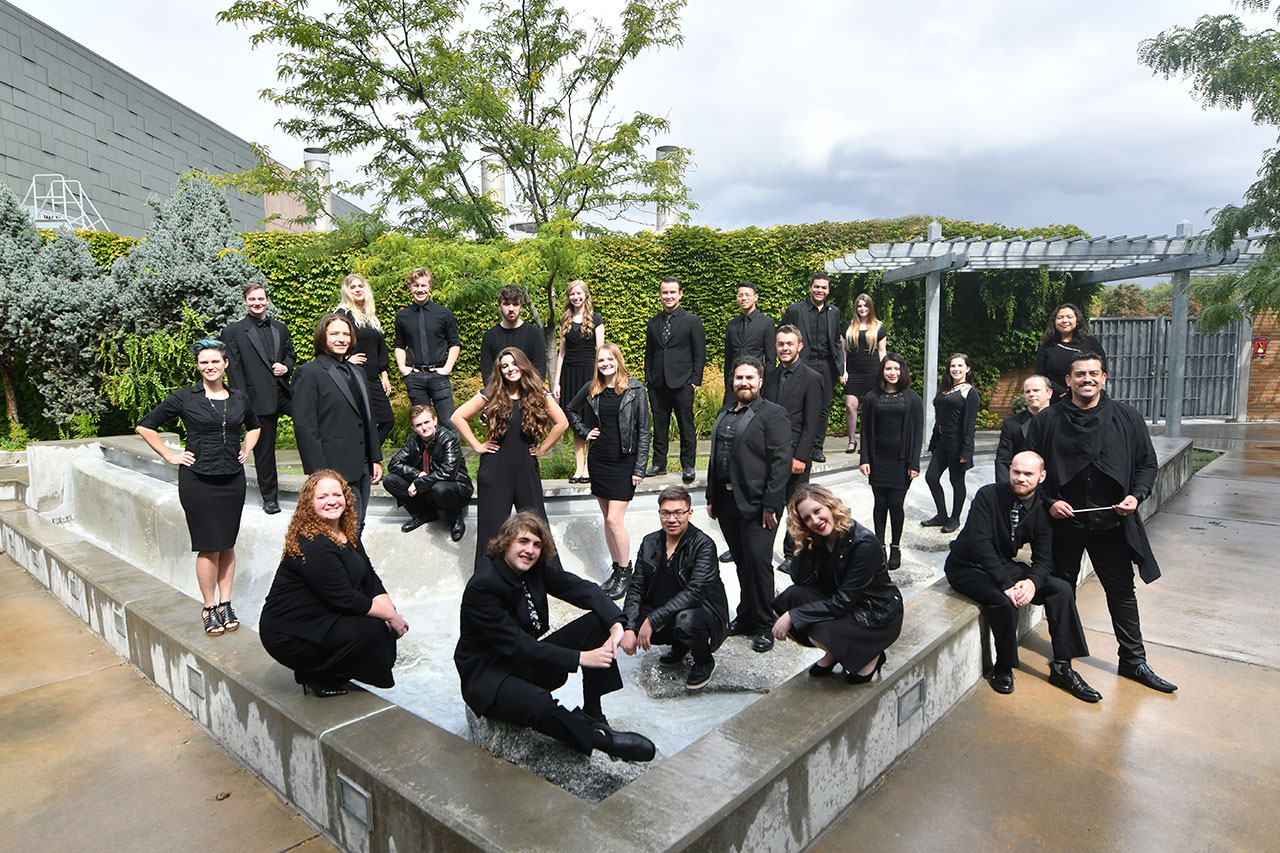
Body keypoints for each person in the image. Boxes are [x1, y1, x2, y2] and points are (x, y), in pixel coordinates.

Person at [1028, 355, 1178, 693]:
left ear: (1104, 377)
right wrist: (1050, 502)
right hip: (1063, 525)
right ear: (1067, 381)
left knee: (1122, 592)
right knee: (1061, 593)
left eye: (1093, 373)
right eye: (1080, 374)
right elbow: (1029, 468)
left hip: (1113, 522)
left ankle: (1133, 661)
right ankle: (1062, 664)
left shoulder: (1127, 417)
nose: (1087, 379)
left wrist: (1137, 496)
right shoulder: (1048, 420)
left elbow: (1146, 464)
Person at [454, 512, 656, 761]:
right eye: (523, 542)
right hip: (490, 677)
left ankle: (593, 713)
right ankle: (599, 740)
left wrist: (618, 624)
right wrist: (581, 658)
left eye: (537, 544)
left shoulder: (532, 570)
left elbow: (583, 589)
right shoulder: (483, 585)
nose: (530, 550)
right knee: (540, 705)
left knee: (597, 623)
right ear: (506, 542)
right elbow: (519, 645)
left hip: (521, 664)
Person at [944, 452, 1099, 701]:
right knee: (1003, 601)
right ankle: (1003, 666)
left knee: (1060, 589)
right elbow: (981, 544)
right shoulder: (988, 495)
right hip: (967, 566)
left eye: (1028, 474)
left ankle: (1062, 666)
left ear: (1041, 476)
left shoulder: (1040, 508)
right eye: (1016, 472)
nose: (1021, 478)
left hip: (1003, 565)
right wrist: (1006, 584)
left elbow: (1044, 557)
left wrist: (1031, 582)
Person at [137, 339, 261, 636]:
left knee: (227, 542)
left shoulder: (238, 398)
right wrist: (170, 455)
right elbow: (145, 425)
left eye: (215, 361)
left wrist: (247, 448)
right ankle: (209, 606)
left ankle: (226, 603)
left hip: (232, 478)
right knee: (208, 546)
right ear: (198, 366)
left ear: (225, 364)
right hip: (198, 480)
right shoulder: (185, 397)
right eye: (204, 362)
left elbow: (255, 425)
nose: (210, 366)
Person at [260, 471, 409, 697]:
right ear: (309, 503)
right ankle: (314, 672)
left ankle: (329, 671)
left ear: (346, 497)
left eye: (336, 494)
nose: (331, 501)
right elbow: (345, 598)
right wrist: (390, 617)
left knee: (381, 620)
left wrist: (390, 609)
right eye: (322, 497)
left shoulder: (346, 532)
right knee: (374, 628)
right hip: (290, 632)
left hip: (319, 617)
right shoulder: (313, 543)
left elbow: (369, 577)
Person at [772, 484, 903, 684]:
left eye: (817, 511)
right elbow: (801, 580)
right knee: (793, 596)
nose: (815, 520)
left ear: (830, 506)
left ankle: (871, 653)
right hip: (847, 605)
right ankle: (836, 652)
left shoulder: (864, 544)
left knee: (818, 631)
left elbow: (843, 602)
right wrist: (804, 542)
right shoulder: (819, 538)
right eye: (807, 518)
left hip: (876, 616)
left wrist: (793, 616)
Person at [453, 347, 569, 567]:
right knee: (492, 529)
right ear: (500, 370)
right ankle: (487, 580)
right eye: (504, 366)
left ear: (523, 365)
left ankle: (549, 577)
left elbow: (562, 422)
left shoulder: (538, 394)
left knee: (536, 524)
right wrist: (477, 445)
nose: (510, 369)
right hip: (495, 469)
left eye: (514, 363)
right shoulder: (491, 394)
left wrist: (543, 449)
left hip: (526, 467)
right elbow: (458, 416)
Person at [708, 356, 792, 653]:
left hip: (759, 505)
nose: (743, 382)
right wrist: (711, 496)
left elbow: (781, 462)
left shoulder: (773, 414)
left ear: (760, 382)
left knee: (758, 564)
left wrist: (771, 503)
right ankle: (745, 616)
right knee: (743, 563)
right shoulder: (725, 411)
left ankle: (764, 624)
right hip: (728, 501)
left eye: (749, 378)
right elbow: (715, 457)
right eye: (739, 378)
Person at [620, 486, 729, 690]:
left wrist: (653, 620)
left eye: (678, 513)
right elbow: (636, 588)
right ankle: (679, 647)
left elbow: (695, 592)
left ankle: (704, 659)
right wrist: (629, 627)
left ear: (689, 513)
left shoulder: (703, 544)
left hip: (705, 614)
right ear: (659, 513)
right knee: (622, 618)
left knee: (685, 621)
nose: (672, 519)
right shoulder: (650, 542)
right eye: (666, 513)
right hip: (667, 610)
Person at [565, 343, 651, 599]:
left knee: (615, 520)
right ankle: (616, 570)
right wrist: (584, 432)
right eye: (601, 361)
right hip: (600, 459)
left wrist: (640, 468)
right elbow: (570, 409)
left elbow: (644, 431)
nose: (605, 364)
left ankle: (626, 572)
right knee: (607, 520)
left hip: (624, 461)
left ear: (617, 360)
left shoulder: (635, 389)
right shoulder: (593, 387)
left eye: (609, 359)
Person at [292, 313, 383, 531]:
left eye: (346, 334)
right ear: (322, 338)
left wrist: (375, 458)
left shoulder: (358, 372)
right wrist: (320, 475)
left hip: (362, 467)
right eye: (334, 334)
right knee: (336, 530)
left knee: (357, 525)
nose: (341, 338)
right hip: (332, 468)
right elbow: (305, 427)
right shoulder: (308, 373)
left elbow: (367, 418)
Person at [221, 283, 295, 514]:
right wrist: (244, 403)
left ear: (267, 300)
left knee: (315, 424)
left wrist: (286, 367)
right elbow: (234, 371)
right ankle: (270, 498)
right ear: (245, 301)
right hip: (256, 398)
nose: (257, 303)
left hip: (283, 393)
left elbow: (290, 354)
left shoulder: (280, 327)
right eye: (252, 299)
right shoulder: (232, 331)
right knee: (264, 450)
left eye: (260, 299)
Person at [761, 324, 822, 572]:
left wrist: (801, 457)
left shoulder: (812, 378)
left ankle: (793, 553)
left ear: (799, 346)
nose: (784, 348)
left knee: (795, 506)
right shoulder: (770, 375)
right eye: (780, 344)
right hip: (769, 453)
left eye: (789, 344)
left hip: (796, 453)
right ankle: (763, 548)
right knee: (768, 502)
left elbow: (812, 423)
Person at [858, 354, 924, 569]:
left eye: (896, 369)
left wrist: (914, 463)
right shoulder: (871, 397)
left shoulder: (912, 398)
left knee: (896, 504)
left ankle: (895, 547)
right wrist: (864, 459)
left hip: (901, 461)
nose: (893, 373)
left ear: (902, 371)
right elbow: (865, 430)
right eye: (888, 369)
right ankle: (880, 547)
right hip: (878, 460)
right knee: (880, 505)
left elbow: (917, 431)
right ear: (882, 372)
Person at [643, 277, 706, 484]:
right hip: (658, 384)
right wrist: (649, 380)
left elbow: (699, 353)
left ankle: (688, 465)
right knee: (659, 425)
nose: (668, 296)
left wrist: (695, 381)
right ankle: (658, 464)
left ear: (680, 294)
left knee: (686, 425)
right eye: (664, 292)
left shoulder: (692, 321)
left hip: (683, 383)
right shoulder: (653, 323)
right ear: (660, 295)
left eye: (672, 292)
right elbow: (649, 354)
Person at [781, 273, 846, 463]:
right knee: (797, 405)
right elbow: (782, 333)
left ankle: (817, 448)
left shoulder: (834, 312)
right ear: (810, 288)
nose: (820, 290)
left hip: (827, 365)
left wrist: (840, 365)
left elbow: (836, 341)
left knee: (823, 407)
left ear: (828, 290)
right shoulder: (795, 310)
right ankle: (793, 445)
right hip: (803, 363)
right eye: (816, 286)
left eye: (824, 287)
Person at [383, 405, 472, 540]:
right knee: (390, 480)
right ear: (413, 427)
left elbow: (448, 472)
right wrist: (417, 474)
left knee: (439, 488)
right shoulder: (413, 441)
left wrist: (419, 483)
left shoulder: (449, 438)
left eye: (427, 422)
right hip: (428, 489)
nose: (424, 428)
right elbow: (394, 463)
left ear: (434, 421)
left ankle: (455, 519)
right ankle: (424, 514)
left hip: (454, 488)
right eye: (419, 425)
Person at [551, 280, 604, 484]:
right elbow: (561, 354)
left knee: (590, 420)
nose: (576, 297)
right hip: (569, 374)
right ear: (569, 297)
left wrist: (599, 378)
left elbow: (601, 351)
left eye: (579, 293)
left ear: (586, 295)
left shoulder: (596, 319)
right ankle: (578, 468)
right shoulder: (566, 319)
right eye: (572, 294)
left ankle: (589, 468)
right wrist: (556, 382)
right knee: (575, 421)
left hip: (589, 374)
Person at [922, 353, 980, 534]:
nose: (956, 369)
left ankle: (955, 519)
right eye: (953, 366)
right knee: (931, 477)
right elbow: (939, 419)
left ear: (967, 369)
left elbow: (970, 423)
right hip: (942, 443)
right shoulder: (946, 390)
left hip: (957, 443)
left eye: (960, 366)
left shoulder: (969, 392)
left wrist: (967, 450)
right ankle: (941, 515)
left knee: (956, 481)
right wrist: (933, 443)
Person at [335, 273, 395, 446]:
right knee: (360, 421)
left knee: (387, 420)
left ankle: (367, 455)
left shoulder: (370, 315)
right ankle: (362, 459)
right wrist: (346, 359)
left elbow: (380, 348)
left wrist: (384, 375)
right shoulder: (342, 314)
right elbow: (332, 342)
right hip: (354, 375)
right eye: (352, 287)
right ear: (347, 291)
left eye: (360, 286)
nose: (357, 290)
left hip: (373, 377)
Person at [394, 267, 461, 421]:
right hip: (415, 378)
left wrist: (447, 368)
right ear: (410, 287)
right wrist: (402, 368)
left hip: (439, 376)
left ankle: (452, 447)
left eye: (423, 285)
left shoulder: (444, 313)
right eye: (416, 285)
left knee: (448, 422)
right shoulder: (402, 316)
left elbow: (454, 343)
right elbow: (399, 345)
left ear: (430, 286)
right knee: (423, 425)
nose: (420, 289)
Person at [841, 292, 887, 454]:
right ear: (856, 308)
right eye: (859, 306)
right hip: (853, 372)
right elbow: (843, 352)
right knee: (850, 406)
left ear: (870, 307)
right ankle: (852, 441)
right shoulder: (848, 326)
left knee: (870, 408)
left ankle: (867, 442)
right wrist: (843, 371)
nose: (862, 308)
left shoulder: (879, 326)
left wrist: (884, 373)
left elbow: (882, 352)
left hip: (872, 372)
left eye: (865, 305)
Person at [1034, 303, 1106, 404]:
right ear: (1054, 322)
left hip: (1088, 396)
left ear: (1077, 321)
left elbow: (1102, 368)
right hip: (1058, 399)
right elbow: (1040, 375)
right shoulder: (1047, 346)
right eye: (1060, 317)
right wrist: (1062, 392)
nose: (1064, 320)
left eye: (1069, 317)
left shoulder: (1091, 342)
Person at [480, 284, 548, 383]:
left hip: (529, 394)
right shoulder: (489, 337)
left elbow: (539, 372)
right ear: (500, 306)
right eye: (507, 304)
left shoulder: (534, 334)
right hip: (498, 395)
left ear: (521, 307)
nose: (511, 309)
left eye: (515, 304)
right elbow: (488, 375)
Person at [723, 281, 776, 405]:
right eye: (740, 295)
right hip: (734, 383)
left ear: (755, 297)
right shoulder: (732, 325)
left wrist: (766, 386)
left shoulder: (766, 323)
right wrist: (728, 382)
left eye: (747, 294)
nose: (744, 298)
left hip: (756, 383)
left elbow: (770, 359)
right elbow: (728, 357)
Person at [995, 374, 1053, 484]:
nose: (1031, 394)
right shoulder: (1012, 424)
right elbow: (1003, 460)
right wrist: (1005, 490)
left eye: (1036, 390)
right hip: (1022, 485)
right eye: (1028, 391)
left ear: (1049, 393)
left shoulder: (1062, 420)